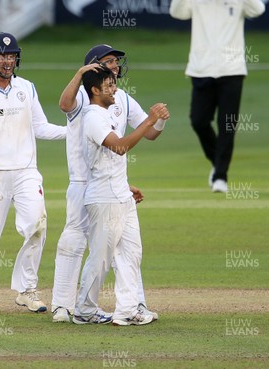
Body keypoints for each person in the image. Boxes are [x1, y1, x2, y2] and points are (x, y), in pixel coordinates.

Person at [51, 44, 169, 323]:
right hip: (84, 183)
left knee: (128, 250)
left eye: (116, 62)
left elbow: (149, 133)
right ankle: (64, 306)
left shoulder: (119, 98)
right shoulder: (84, 98)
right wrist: (80, 74)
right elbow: (64, 105)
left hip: (112, 185)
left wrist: (159, 121)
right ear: (94, 72)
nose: (115, 66)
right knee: (78, 243)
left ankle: (131, 307)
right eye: (109, 62)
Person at [0, 32, 66, 313]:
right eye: (2, 56)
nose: (8, 61)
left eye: (11, 56)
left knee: (38, 225)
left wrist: (74, 132)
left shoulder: (27, 88)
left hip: (26, 170)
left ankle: (27, 289)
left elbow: (40, 127)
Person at [169, 0, 265, 193]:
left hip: (232, 69)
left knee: (227, 124)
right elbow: (177, 12)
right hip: (201, 69)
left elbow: (258, 9)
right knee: (198, 121)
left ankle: (221, 175)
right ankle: (218, 162)